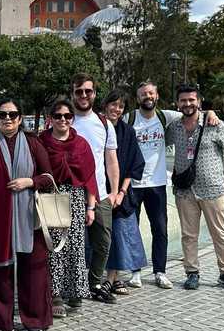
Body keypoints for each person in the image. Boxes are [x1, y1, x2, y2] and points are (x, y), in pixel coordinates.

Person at [122, 81, 219, 290]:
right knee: (132, 229)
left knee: (160, 230)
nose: (147, 97)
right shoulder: (128, 119)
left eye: (151, 93)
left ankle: (159, 272)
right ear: (138, 98)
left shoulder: (166, 117)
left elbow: (192, 112)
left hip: (157, 183)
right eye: (143, 94)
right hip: (133, 183)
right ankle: (135, 272)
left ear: (156, 97)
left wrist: (210, 112)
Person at [0, 98, 53, 331]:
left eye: (12, 114)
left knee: (34, 273)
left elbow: (49, 178)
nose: (7, 118)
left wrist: (30, 181)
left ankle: (34, 320)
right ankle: (4, 322)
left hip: (31, 220)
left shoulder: (33, 144)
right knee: (1, 274)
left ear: (20, 118)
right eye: (2, 114)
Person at [166, 84, 224, 292]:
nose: (187, 104)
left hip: (213, 188)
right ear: (178, 103)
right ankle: (192, 273)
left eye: (191, 100)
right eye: (183, 100)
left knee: (219, 233)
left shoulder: (214, 125)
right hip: (185, 190)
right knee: (188, 234)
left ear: (198, 101)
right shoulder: (174, 127)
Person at [38, 99, 97, 317]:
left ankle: (75, 291)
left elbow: (89, 177)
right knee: (54, 248)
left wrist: (90, 208)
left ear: (72, 118)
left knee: (75, 246)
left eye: (67, 116)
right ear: (50, 118)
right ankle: (56, 295)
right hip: (50, 198)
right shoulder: (41, 142)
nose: (63, 120)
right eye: (58, 116)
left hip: (75, 198)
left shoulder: (81, 144)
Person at [69, 73, 120, 303]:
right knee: (73, 245)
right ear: (72, 94)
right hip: (71, 194)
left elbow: (111, 160)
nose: (83, 95)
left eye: (88, 91)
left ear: (95, 94)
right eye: (79, 91)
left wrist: (114, 192)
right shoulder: (64, 120)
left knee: (103, 243)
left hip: (100, 195)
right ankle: (74, 288)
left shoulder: (104, 123)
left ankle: (95, 283)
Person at [102, 90, 147, 295]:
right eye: (113, 104)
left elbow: (133, 164)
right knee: (103, 236)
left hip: (120, 193)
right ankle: (114, 279)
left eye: (121, 106)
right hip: (98, 190)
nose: (116, 109)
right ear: (106, 105)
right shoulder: (97, 127)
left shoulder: (128, 132)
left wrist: (121, 192)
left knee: (118, 235)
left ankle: (110, 280)